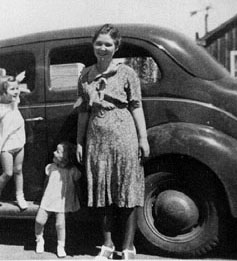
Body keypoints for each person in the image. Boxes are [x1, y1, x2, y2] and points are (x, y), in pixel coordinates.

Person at [75, 24, 150, 260]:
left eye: (108, 44)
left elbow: (136, 106)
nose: (103, 48)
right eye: (99, 43)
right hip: (97, 139)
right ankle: (107, 245)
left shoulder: (127, 73)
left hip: (124, 136)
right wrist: (79, 142)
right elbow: (83, 112)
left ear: (116, 47)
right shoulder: (86, 74)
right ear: (93, 45)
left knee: (127, 191)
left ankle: (128, 247)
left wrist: (143, 138)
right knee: (102, 192)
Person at [0, 76, 28, 213]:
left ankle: (20, 196)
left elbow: (23, 89)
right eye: (12, 89)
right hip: (5, 145)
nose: (17, 92)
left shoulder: (15, 101)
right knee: (8, 173)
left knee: (19, 170)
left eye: (17, 88)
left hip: (18, 141)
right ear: (2, 91)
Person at [35, 142, 81, 258]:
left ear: (66, 158)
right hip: (49, 198)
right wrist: (41, 196)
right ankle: (39, 239)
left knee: (60, 224)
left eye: (58, 152)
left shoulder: (72, 171)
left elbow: (77, 185)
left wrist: (76, 199)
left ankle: (61, 246)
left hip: (62, 201)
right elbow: (46, 183)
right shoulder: (51, 168)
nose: (54, 153)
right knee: (39, 220)